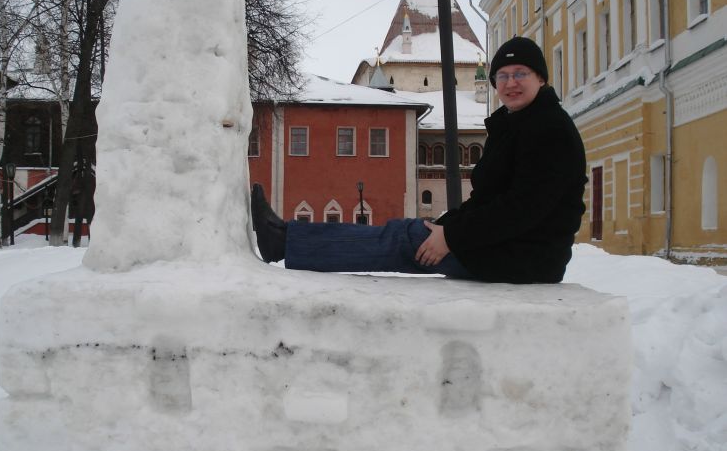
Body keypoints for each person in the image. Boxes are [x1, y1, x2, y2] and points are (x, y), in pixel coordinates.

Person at [251, 36, 587, 284]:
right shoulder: (520, 124)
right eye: (503, 75)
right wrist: (445, 228)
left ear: (541, 78)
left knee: (405, 239)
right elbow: (487, 201)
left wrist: (451, 237)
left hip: (524, 257)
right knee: (412, 232)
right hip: (510, 248)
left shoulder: (548, 129)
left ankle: (285, 241)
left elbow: (521, 209)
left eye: (521, 74)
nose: (511, 83)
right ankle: (289, 238)